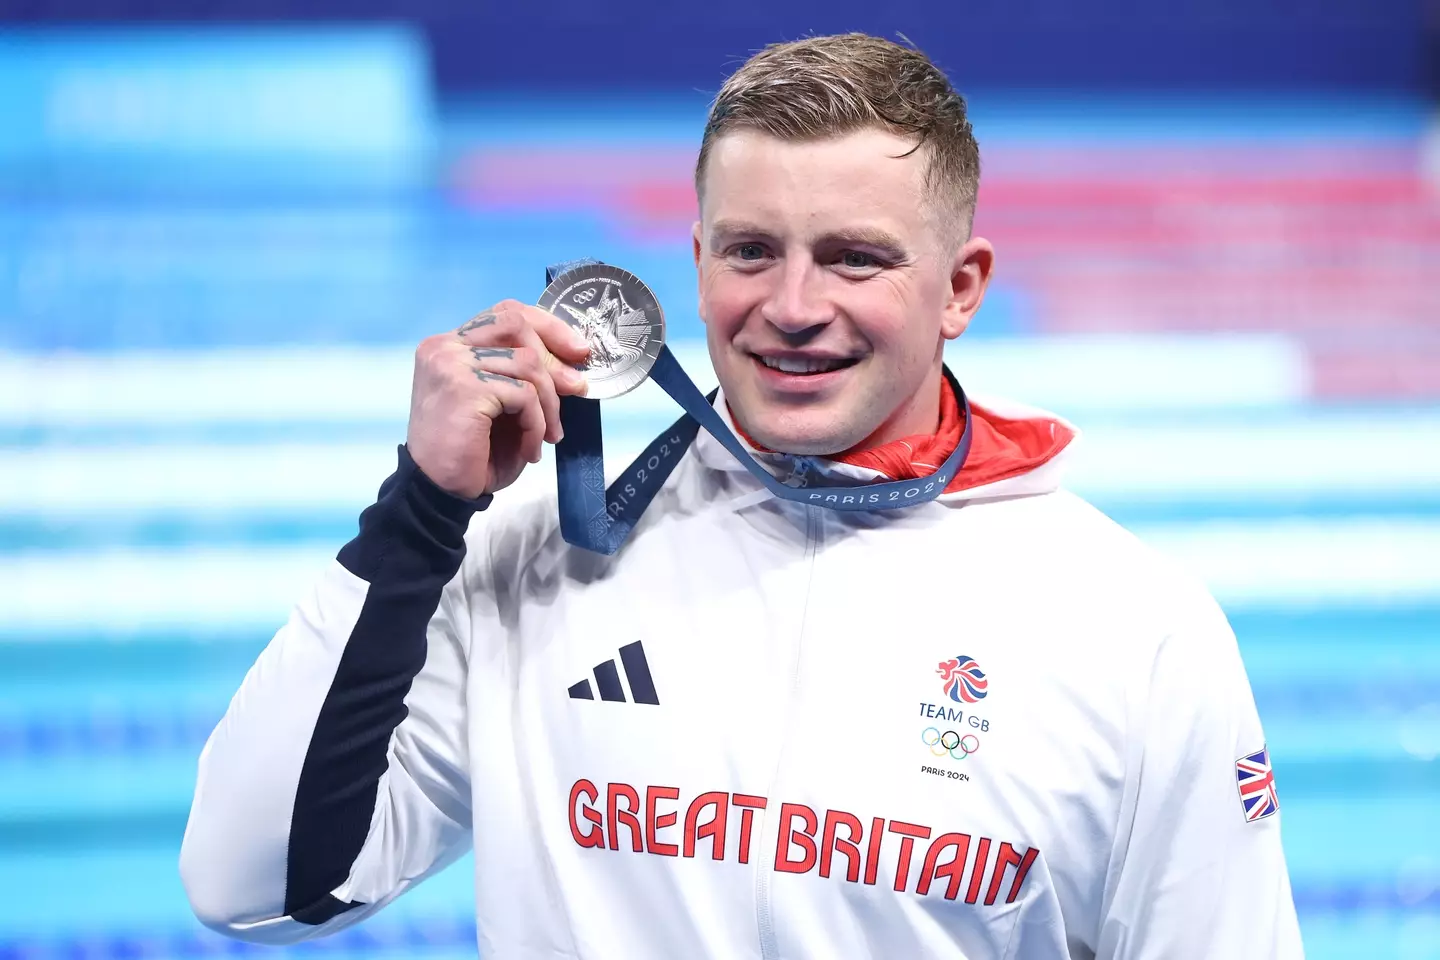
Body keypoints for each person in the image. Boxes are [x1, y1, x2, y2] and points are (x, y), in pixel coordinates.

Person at [179, 33, 1304, 960]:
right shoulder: (540, 557)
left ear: (960, 288)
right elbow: (256, 881)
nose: (794, 305)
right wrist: (423, 512)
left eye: (855, 258)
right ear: (699, 256)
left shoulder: (1129, 629)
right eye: (752, 252)